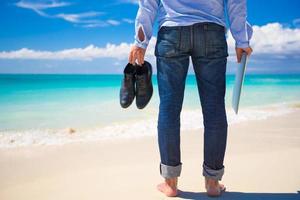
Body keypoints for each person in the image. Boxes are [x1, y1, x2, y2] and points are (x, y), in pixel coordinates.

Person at [128, 0, 253, 197]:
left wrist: (140, 42)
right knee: (214, 110)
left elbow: (148, 4)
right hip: (212, 32)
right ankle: (212, 183)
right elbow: (236, 2)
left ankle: (170, 183)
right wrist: (242, 40)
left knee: (169, 109)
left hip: (172, 31)